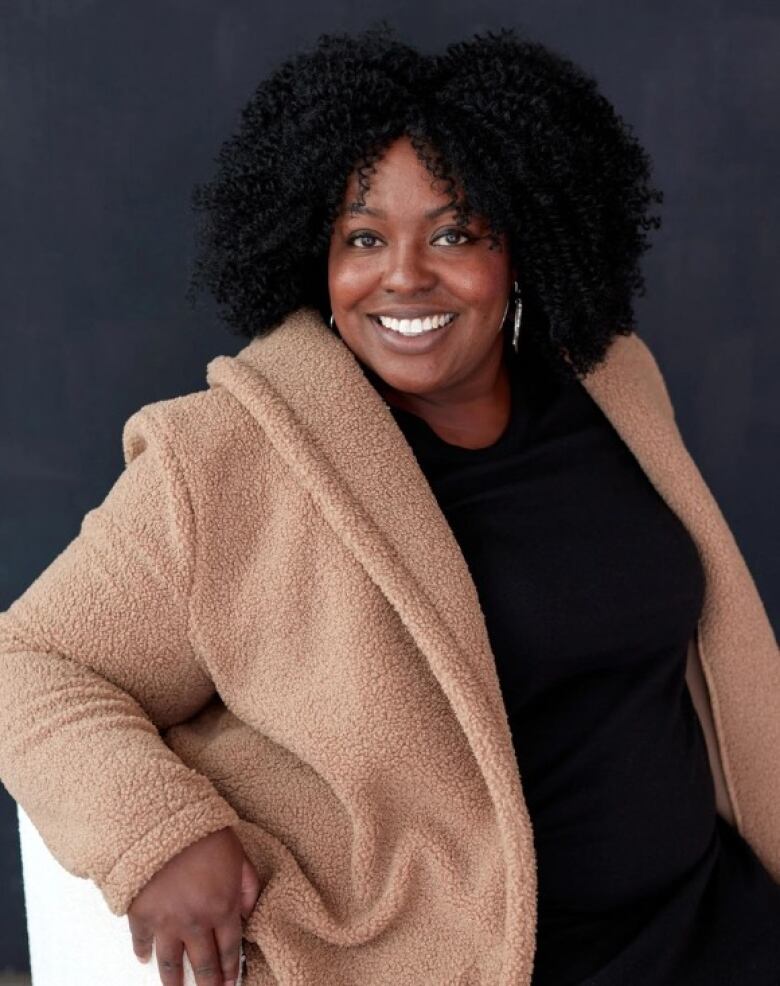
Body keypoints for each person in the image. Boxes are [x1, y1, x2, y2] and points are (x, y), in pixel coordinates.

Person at [1, 21, 778, 986]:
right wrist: (156, 831)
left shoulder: (613, 381)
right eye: (363, 237)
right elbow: (28, 661)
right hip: (485, 965)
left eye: (456, 233)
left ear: (521, 248)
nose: (405, 275)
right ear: (316, 261)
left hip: (719, 921)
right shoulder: (230, 457)